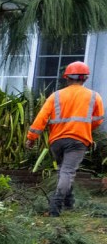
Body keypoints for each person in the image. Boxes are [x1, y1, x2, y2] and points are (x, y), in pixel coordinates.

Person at [28, 59, 104, 216]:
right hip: (78, 140)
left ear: (67, 77)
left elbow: (41, 118)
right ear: (85, 78)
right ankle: (55, 206)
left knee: (64, 170)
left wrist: (31, 137)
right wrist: (85, 128)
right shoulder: (94, 97)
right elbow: (98, 120)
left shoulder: (56, 96)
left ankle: (69, 202)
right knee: (67, 172)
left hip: (57, 141)